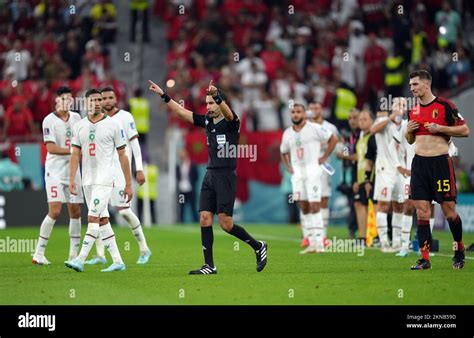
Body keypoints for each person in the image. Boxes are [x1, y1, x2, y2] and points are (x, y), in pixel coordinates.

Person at [149, 79, 268, 274]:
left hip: (226, 176)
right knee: (204, 218)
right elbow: (180, 112)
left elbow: (228, 113)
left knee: (226, 224)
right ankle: (209, 265)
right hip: (210, 174)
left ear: (221, 102)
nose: (209, 106)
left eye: (212, 102)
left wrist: (218, 96)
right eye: (208, 103)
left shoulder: (232, 123)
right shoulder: (206, 121)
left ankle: (258, 246)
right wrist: (164, 95)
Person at [406, 70, 470, 270]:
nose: (412, 88)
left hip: (440, 164)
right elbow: (410, 140)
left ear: (426, 84)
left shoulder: (445, 106)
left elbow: (465, 130)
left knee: (449, 212)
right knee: (422, 212)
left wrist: (442, 128)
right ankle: (425, 259)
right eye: (411, 85)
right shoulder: (413, 110)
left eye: (415, 84)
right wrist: (408, 131)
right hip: (419, 164)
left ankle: (459, 249)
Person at [65, 89, 133, 272]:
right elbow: (75, 154)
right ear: (86, 103)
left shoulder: (113, 125)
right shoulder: (79, 126)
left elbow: (123, 155)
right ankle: (118, 261)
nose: (96, 103)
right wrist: (72, 178)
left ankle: (80, 259)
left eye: (99, 100)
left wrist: (128, 183)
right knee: (102, 220)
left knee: (92, 217)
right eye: (92, 100)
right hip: (87, 180)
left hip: (104, 180)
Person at [84, 87, 151, 266]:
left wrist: (139, 168)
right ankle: (99, 254)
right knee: (98, 211)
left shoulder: (125, 117)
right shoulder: (95, 120)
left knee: (125, 211)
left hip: (121, 171)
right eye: (103, 98)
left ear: (116, 99)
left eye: (109, 98)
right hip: (101, 172)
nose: (106, 101)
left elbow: (134, 144)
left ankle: (144, 248)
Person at [32, 87, 83, 266]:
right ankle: (39, 253)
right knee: (54, 211)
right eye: (63, 99)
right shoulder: (49, 120)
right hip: (54, 171)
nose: (67, 102)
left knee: (75, 211)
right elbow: (51, 148)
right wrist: (73, 150)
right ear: (56, 100)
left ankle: (73, 255)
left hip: (74, 171)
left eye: (69, 99)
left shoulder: (77, 118)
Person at [281, 103, 338, 254]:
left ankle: (320, 242)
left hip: (313, 172)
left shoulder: (314, 128)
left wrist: (324, 157)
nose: (295, 114)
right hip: (298, 175)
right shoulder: (287, 133)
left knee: (315, 205)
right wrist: (288, 167)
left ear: (304, 114)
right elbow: (283, 151)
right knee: (304, 206)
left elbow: (333, 139)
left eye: (298, 112)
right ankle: (311, 242)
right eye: (293, 112)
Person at [370, 104, 404, 252]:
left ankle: (397, 242)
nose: (400, 107)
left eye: (403, 105)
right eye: (398, 104)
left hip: (401, 169)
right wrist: (390, 117)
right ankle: (384, 243)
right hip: (385, 169)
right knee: (384, 205)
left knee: (399, 205)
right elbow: (372, 130)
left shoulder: (407, 124)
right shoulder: (383, 120)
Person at [307, 102, 340, 241]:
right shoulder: (305, 126)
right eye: (312, 108)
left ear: (322, 110)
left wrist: (325, 155)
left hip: (323, 167)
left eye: (317, 108)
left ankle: (323, 235)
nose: (314, 110)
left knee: (323, 199)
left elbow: (337, 142)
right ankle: (310, 233)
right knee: (310, 200)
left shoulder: (330, 127)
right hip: (308, 167)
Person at [353, 110, 376, 241]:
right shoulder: (361, 138)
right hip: (361, 177)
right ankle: (363, 236)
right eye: (360, 119)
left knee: (373, 207)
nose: (361, 122)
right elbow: (359, 161)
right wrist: (357, 179)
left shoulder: (373, 137)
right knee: (359, 205)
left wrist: (368, 180)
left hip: (371, 177)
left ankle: (376, 236)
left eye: (365, 119)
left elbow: (372, 160)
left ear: (372, 121)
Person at [176, 149, 199, 223]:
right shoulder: (179, 165)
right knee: (181, 206)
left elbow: (196, 176)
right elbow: (177, 176)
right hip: (182, 190)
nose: (181, 157)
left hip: (190, 189)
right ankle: (181, 221)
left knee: (193, 206)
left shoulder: (192, 164)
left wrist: (192, 183)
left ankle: (196, 221)